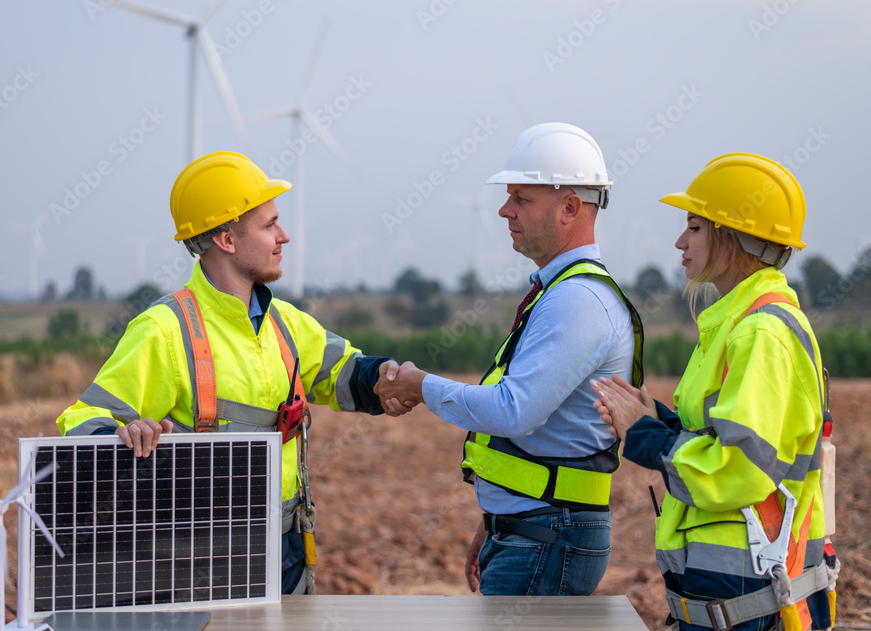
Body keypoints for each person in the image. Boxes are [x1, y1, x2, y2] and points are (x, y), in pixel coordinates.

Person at [57, 151, 409, 595]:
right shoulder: (164, 330)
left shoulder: (283, 322)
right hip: (200, 564)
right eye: (270, 225)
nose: (284, 236)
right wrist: (121, 434)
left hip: (287, 550)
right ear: (226, 239)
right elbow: (82, 419)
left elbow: (342, 370)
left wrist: (389, 379)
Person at [375, 122, 644, 596]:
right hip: (535, 528)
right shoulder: (562, 293)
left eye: (521, 198)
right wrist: (498, 518)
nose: (504, 210)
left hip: (546, 536)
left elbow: (514, 411)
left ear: (570, 208)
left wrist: (420, 385)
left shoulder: (577, 300)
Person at [591, 153, 836, 631]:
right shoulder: (738, 323)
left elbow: (739, 466)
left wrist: (645, 436)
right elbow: (717, 431)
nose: (680, 242)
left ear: (734, 237)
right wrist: (658, 419)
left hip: (746, 594)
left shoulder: (760, 333)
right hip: (733, 592)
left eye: (695, 227)